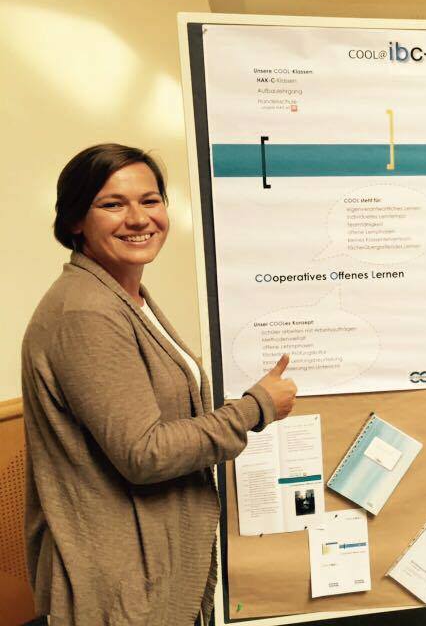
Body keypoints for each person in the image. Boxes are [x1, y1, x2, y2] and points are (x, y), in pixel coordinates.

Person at [21, 144, 298, 625]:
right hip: (118, 580)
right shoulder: (86, 312)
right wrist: (255, 409)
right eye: (112, 204)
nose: (138, 218)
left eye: (150, 200)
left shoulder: (123, 295)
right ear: (75, 220)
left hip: (150, 566)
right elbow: (143, 452)